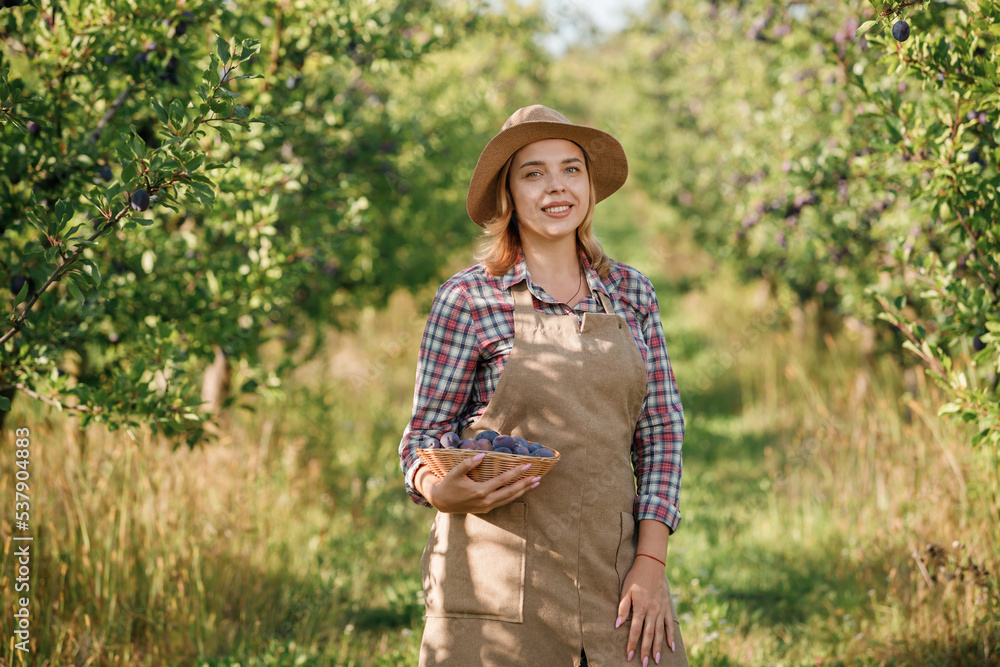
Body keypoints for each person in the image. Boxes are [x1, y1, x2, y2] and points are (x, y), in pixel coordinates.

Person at [398, 105, 687, 667]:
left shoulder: (631, 293)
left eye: (570, 169)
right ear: (508, 194)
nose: (556, 187)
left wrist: (650, 567)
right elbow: (422, 438)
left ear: (589, 185)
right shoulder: (468, 300)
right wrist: (438, 491)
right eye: (533, 173)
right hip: (496, 582)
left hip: (617, 576)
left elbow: (660, 433)